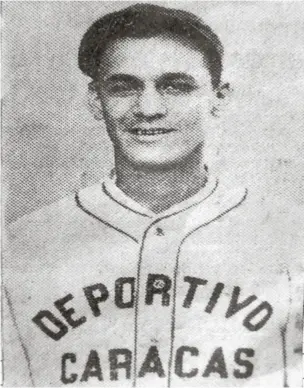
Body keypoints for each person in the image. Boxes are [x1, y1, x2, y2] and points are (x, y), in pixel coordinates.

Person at [3, 3, 302, 387]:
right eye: (123, 87)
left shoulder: (291, 238)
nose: (148, 109)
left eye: (176, 86)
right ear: (97, 100)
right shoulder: (21, 245)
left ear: (219, 97)